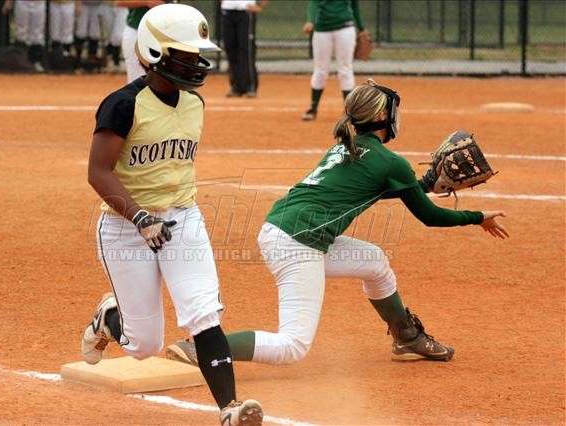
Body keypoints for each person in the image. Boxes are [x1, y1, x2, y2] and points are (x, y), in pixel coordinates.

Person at [166, 79, 509, 368]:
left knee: (374, 262)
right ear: (382, 117)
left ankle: (406, 337)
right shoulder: (390, 162)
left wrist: (423, 185)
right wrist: (477, 217)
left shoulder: (345, 147)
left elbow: (365, 190)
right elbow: (430, 217)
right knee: (292, 346)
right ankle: (204, 348)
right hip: (298, 242)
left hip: (283, 229)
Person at [81, 4, 263, 425]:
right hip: (126, 226)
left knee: (203, 314)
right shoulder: (123, 105)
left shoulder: (194, 103)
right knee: (144, 345)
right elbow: (98, 171)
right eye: (184, 53)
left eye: (197, 53)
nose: (196, 62)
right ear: (154, 52)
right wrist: (141, 218)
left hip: (182, 218)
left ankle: (230, 409)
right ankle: (110, 317)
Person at [301, 0, 365, 121]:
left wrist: (361, 27)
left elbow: (355, 5)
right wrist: (310, 20)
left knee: (345, 70)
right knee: (320, 70)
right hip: (322, 29)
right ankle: (313, 108)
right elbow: (314, 2)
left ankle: (349, 111)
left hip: (345, 28)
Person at [220, 0, 267, 98]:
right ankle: (237, 87)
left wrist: (260, 6)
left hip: (246, 12)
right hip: (227, 12)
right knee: (230, 48)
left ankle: (250, 86)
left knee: (246, 50)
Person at [118, 1, 164, 83]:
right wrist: (147, 2)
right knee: (135, 72)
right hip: (136, 28)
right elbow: (119, 2)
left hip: (162, 31)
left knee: (161, 70)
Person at [2, 0, 46, 72]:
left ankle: (36, 62)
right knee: (21, 33)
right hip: (22, 2)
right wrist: (8, 1)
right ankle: (20, 61)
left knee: (37, 34)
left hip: (39, 3)